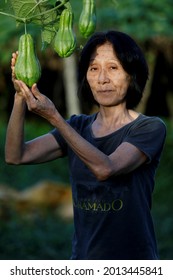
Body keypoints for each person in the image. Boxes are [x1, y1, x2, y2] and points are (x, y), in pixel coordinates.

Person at [5, 30, 166, 260]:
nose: (102, 79)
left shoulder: (149, 128)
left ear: (132, 74)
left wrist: (54, 117)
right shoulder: (77, 127)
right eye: (93, 68)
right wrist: (20, 96)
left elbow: (105, 168)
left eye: (113, 67)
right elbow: (15, 155)